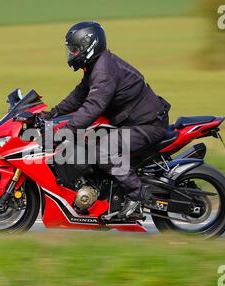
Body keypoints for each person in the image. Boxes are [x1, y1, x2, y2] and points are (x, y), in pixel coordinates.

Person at [43, 21, 171, 218]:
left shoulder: (103, 71)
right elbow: (78, 96)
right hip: (134, 122)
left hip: (147, 125)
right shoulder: (95, 65)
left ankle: (137, 196)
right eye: (71, 50)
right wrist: (52, 114)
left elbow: (94, 105)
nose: (72, 54)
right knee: (89, 141)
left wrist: (66, 130)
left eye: (75, 50)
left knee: (104, 148)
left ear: (89, 46)